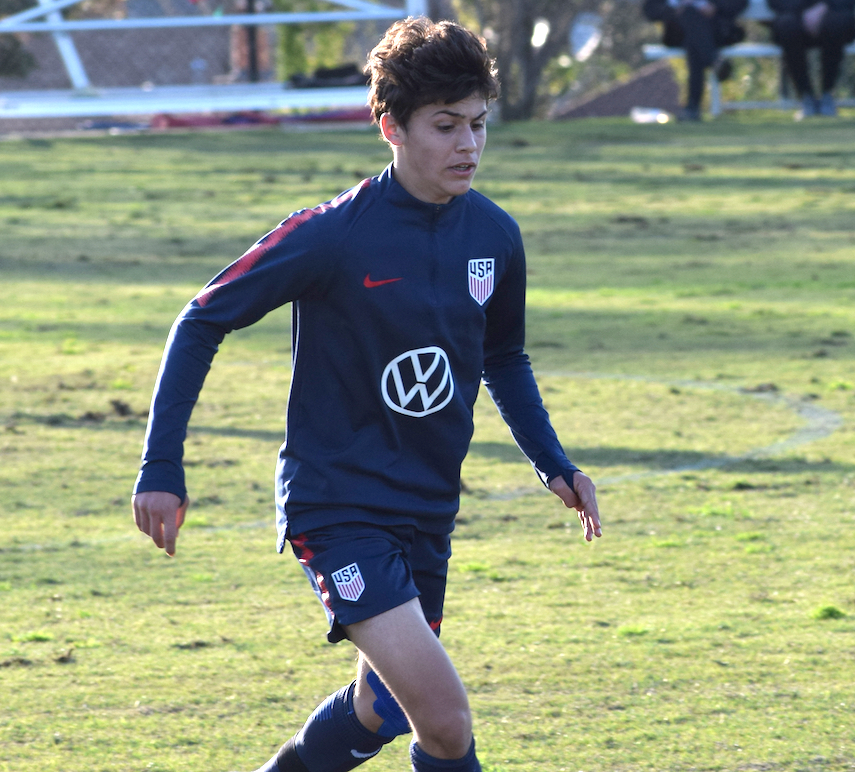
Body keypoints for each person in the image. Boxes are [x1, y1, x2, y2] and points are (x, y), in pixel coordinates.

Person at [131, 17, 602, 772]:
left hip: (427, 505)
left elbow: (503, 356)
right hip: (338, 505)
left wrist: (554, 463)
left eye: (479, 124)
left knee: (381, 708)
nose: (468, 146)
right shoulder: (332, 236)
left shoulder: (495, 237)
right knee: (444, 723)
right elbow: (201, 319)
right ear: (390, 126)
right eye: (445, 126)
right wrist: (161, 466)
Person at [643, 0, 748, 120]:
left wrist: (714, 8)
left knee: (694, 41)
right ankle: (713, 61)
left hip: (716, 31)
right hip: (679, 33)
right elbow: (650, 10)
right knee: (690, 16)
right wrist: (675, 8)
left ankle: (692, 108)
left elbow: (740, 3)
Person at [768, 0, 855, 117]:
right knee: (787, 27)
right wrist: (803, 10)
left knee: (836, 25)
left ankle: (828, 94)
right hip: (795, 17)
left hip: (833, 14)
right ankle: (805, 96)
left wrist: (824, 7)